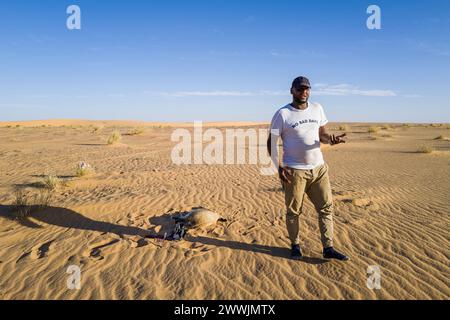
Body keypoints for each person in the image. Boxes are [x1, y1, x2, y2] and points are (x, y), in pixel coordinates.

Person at [267, 76, 349, 261]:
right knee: (294, 211)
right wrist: (278, 167)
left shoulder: (317, 108)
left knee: (326, 208)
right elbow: (271, 142)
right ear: (292, 90)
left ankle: (328, 248)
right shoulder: (283, 114)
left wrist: (331, 140)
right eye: (300, 89)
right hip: (294, 171)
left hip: (319, 169)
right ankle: (295, 245)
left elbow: (322, 135)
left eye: (307, 89)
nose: (304, 92)